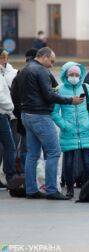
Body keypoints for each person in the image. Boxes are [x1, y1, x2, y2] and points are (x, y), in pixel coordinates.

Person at [20, 47, 84, 200]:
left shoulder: (25, 69)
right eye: (52, 61)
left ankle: (31, 190)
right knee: (54, 152)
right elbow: (49, 95)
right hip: (40, 116)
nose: (52, 65)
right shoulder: (40, 71)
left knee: (32, 154)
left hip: (26, 115)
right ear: (44, 57)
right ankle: (51, 190)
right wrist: (70, 100)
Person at [51, 62, 89, 199]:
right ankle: (70, 188)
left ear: (81, 75)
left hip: (86, 130)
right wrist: (64, 125)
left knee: (86, 161)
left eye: (77, 75)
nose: (74, 77)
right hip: (68, 131)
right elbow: (54, 113)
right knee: (69, 161)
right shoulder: (59, 89)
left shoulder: (86, 87)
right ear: (65, 75)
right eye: (71, 74)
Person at [0, 53, 17, 185]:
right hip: (2, 114)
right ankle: (10, 177)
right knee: (10, 146)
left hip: (3, 113)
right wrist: (11, 107)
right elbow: (1, 95)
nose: (4, 60)